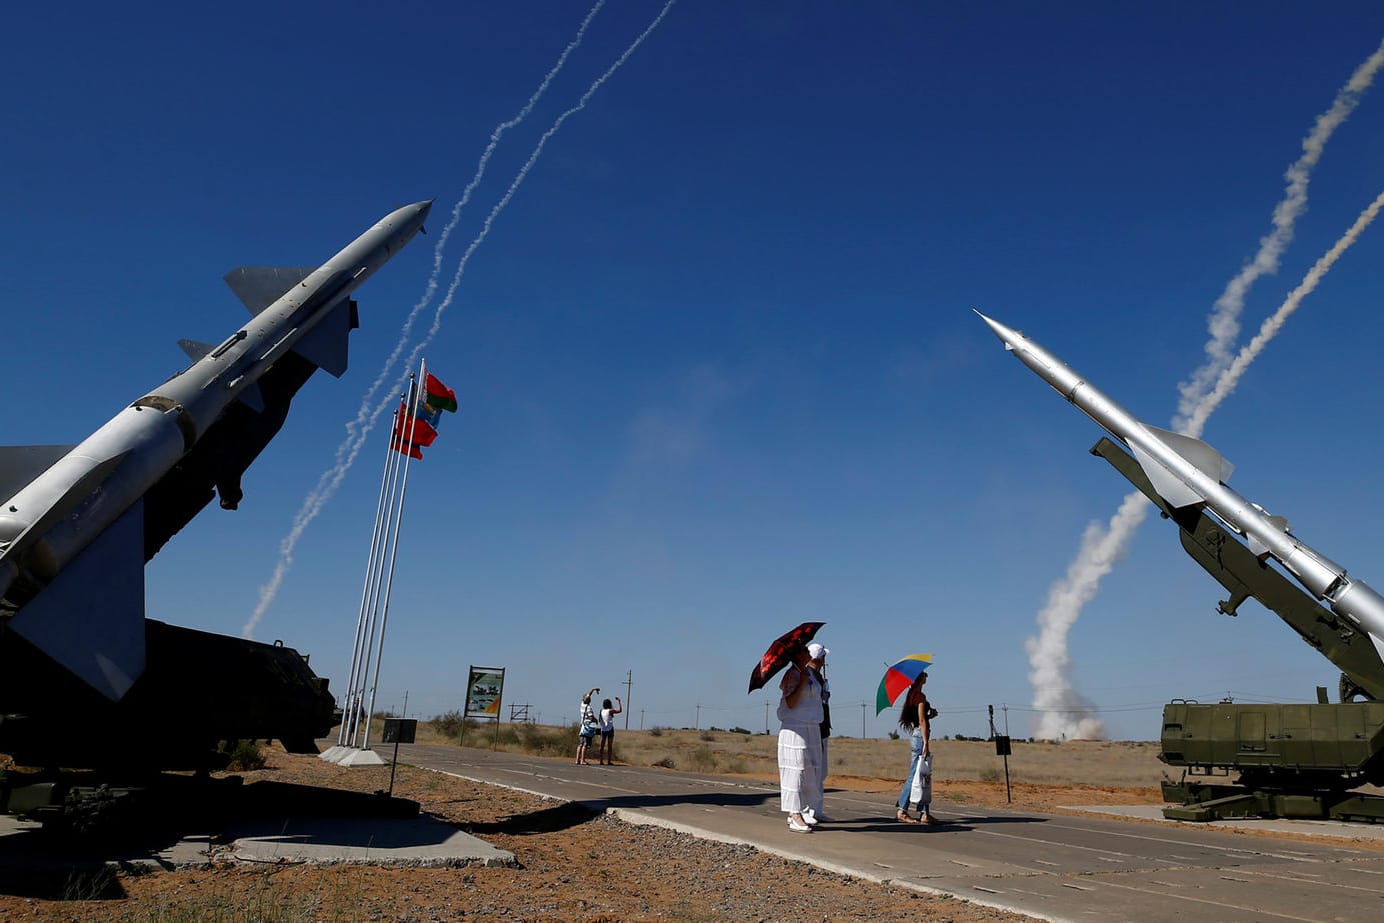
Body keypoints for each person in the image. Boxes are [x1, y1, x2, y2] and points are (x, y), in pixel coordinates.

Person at [776, 643, 824, 832]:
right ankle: (793, 813)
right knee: (795, 770)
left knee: (810, 769)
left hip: (811, 726)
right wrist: (802, 680)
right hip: (795, 727)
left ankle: (803, 809)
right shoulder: (793, 674)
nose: (807, 654)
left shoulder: (809, 673)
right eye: (804, 651)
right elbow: (791, 702)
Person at [896, 671, 940, 824]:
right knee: (916, 775)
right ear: (920, 678)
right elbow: (921, 720)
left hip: (917, 735)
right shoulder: (919, 697)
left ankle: (924, 813)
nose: (927, 676)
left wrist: (930, 715)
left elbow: (921, 718)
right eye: (924, 675)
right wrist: (926, 742)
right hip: (920, 737)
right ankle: (902, 810)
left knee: (923, 776)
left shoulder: (912, 695)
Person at [807, 642, 831, 821]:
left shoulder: (819, 678)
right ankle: (807, 809)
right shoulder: (808, 677)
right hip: (814, 727)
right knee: (811, 770)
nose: (825, 661)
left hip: (823, 727)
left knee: (821, 771)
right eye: (823, 657)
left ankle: (817, 809)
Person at [576, 687, 600, 765]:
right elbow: (591, 717)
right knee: (585, 744)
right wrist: (596, 720)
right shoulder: (589, 708)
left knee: (580, 744)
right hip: (588, 727)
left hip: (582, 726)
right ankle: (583, 760)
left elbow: (588, 695)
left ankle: (577, 760)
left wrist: (593, 690)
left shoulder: (582, 705)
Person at [597, 696, 623, 765]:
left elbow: (600, 720)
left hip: (603, 729)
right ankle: (608, 761)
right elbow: (620, 710)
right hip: (610, 729)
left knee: (602, 745)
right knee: (609, 746)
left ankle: (601, 760)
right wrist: (619, 702)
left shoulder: (601, 710)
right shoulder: (610, 710)